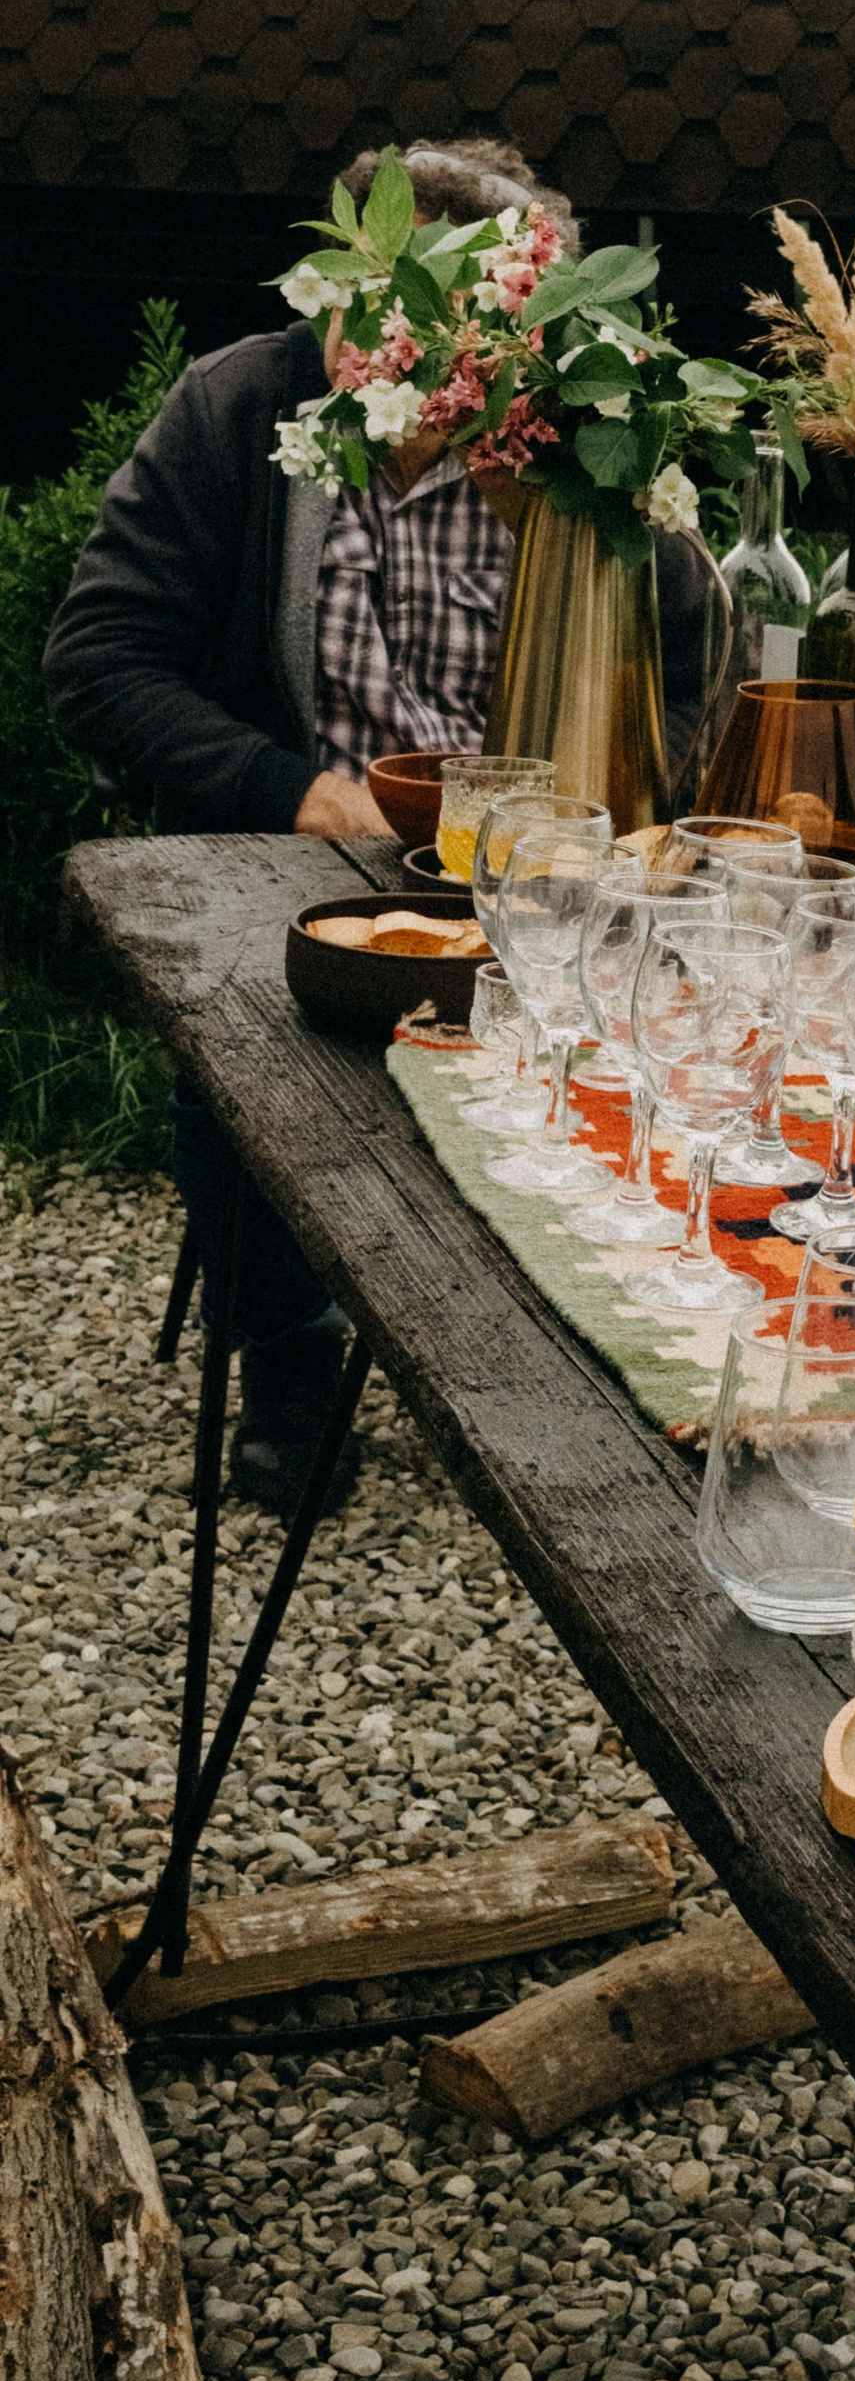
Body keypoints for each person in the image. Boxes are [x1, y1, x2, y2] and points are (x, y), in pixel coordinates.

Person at [45, 138, 712, 1513]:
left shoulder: (573, 444)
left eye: (476, 345)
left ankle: (585, 1353)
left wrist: (594, 497)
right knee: (232, 1054)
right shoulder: (240, 414)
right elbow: (99, 659)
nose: (424, 382)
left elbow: (700, 675)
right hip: (306, 869)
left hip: (537, 884)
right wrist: (287, 788)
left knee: (682, 1052)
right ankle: (291, 1355)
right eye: (391, 327)